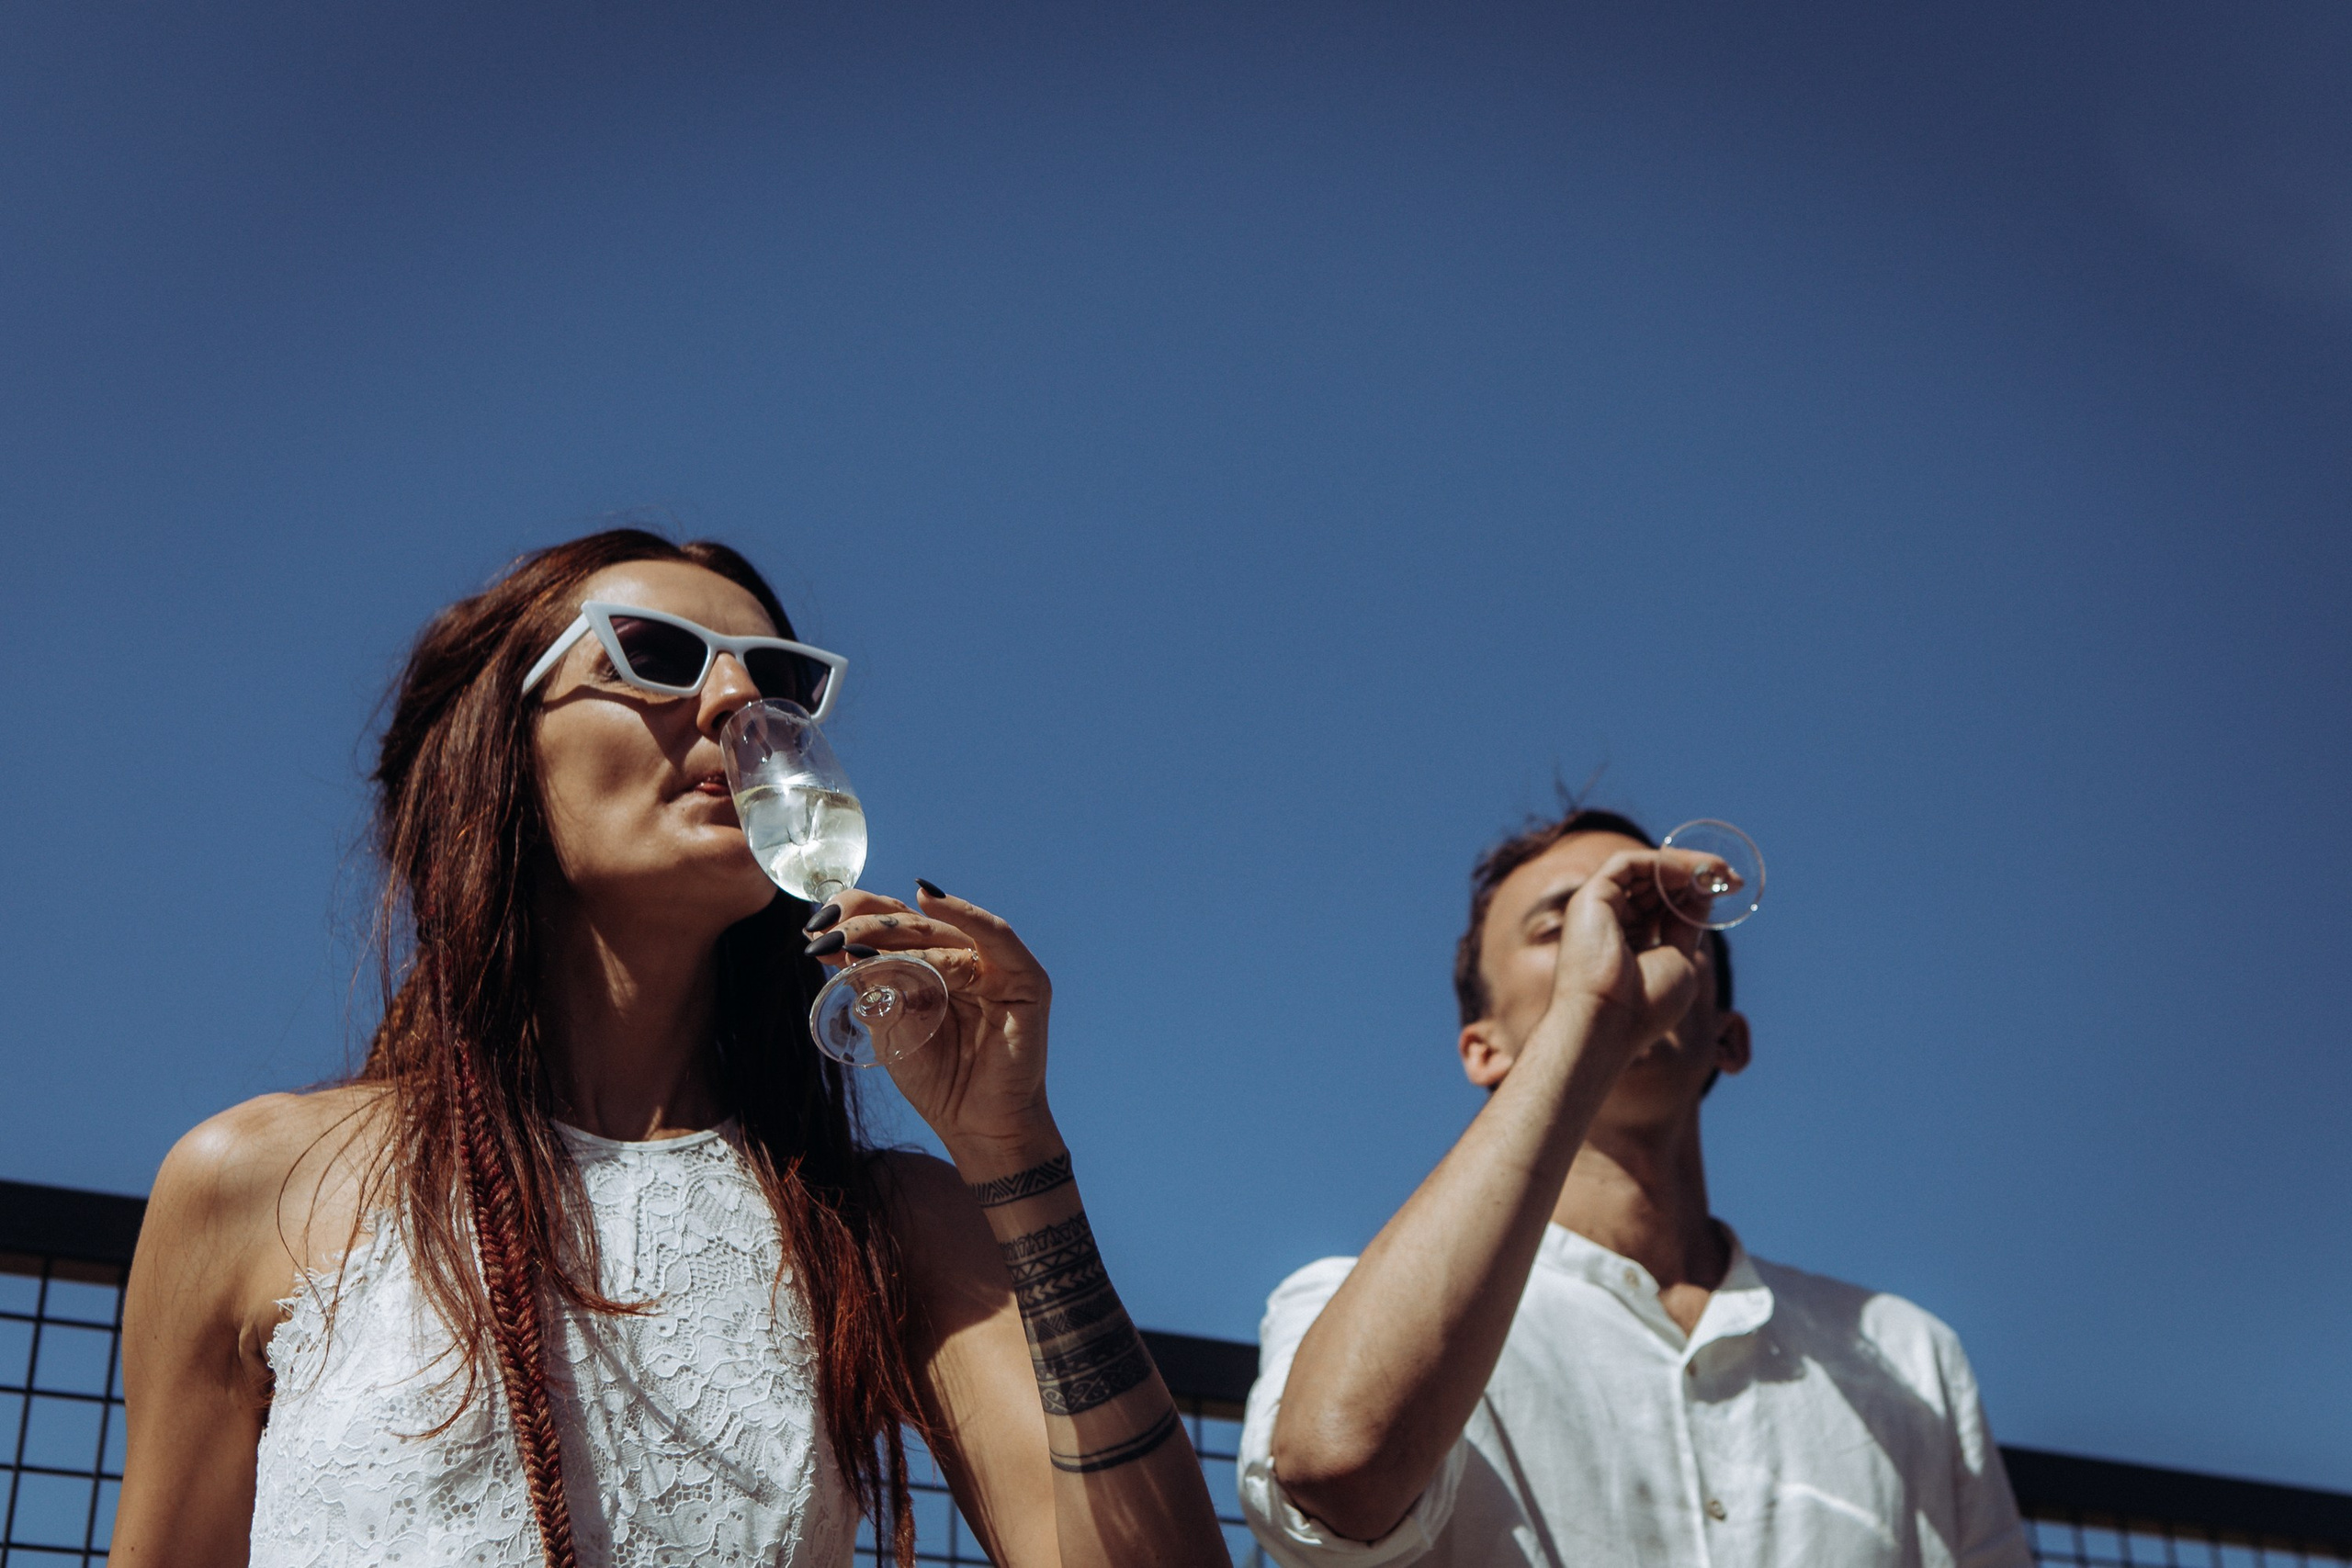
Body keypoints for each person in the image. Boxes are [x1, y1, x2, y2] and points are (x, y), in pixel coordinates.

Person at [114, 529, 1228, 1568]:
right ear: (499, 743)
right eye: (655, 656)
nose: (739, 700)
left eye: (780, 678)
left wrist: (1013, 1155)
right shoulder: (250, 1186)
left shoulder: (884, 1229)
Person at [1238, 807, 2029, 1568]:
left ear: (1728, 1034)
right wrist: (1590, 1014)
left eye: (1660, 913)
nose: (1614, 934)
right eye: (1560, 922)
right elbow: (1334, 1472)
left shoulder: (1909, 1354)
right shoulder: (1348, 1309)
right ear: (1482, 1049)